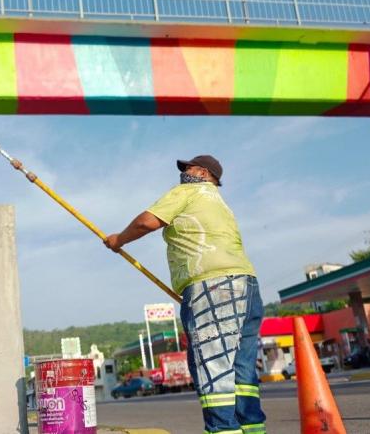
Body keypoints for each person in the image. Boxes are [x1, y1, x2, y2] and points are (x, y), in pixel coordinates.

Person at [104, 155, 266, 434]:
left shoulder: (188, 192)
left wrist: (118, 240)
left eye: (188, 168)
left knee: (213, 368)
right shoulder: (220, 204)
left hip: (212, 285)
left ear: (203, 173)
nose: (183, 173)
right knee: (243, 373)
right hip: (247, 286)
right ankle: (253, 430)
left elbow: (147, 221)